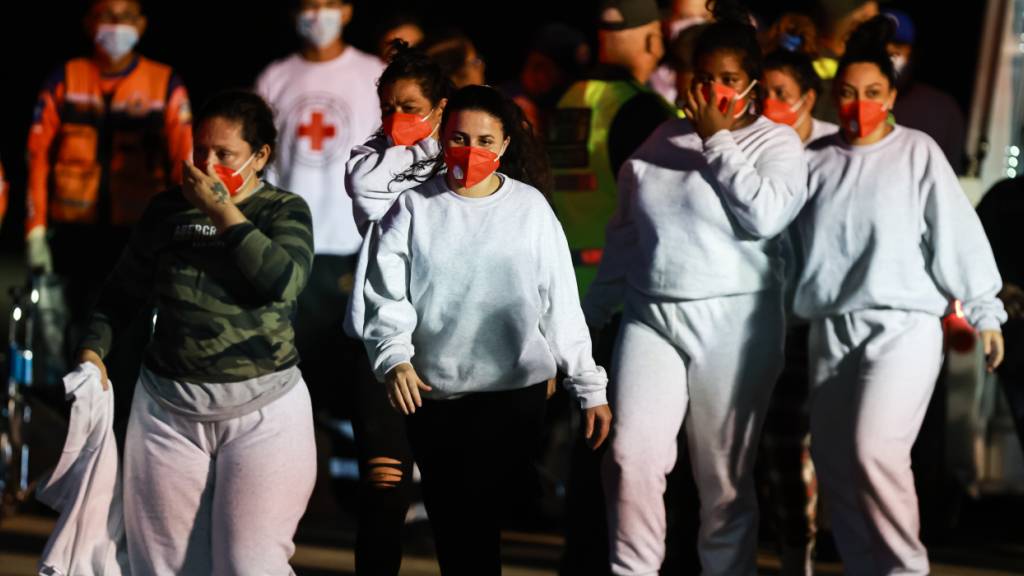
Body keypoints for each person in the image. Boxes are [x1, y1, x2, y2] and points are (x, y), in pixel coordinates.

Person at [584, 0, 810, 573]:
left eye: (728, 80)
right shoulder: (657, 143)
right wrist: (588, 320)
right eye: (704, 78)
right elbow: (626, 239)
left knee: (722, 478)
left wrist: (718, 142)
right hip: (651, 315)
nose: (713, 90)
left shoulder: (775, 144)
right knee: (631, 459)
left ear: (752, 84)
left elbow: (764, 216)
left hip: (734, 324)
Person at [361, 84, 611, 575]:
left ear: (504, 147)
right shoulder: (413, 208)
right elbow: (385, 295)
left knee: (473, 517)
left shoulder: (531, 209)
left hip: (511, 396)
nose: (470, 151)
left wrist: (588, 383)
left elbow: (560, 302)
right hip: (433, 396)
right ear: (441, 138)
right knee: (458, 526)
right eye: (458, 137)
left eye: (484, 140)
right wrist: (394, 356)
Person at [793, 16, 1006, 575]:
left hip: (903, 328)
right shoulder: (814, 160)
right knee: (838, 464)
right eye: (847, 93)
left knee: (875, 450)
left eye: (872, 93)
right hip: (832, 328)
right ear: (832, 96)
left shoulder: (917, 153)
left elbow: (957, 235)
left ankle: (905, 568)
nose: (859, 104)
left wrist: (984, 310)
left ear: (892, 96)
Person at [77, 90, 316, 574]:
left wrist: (223, 213)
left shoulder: (283, 210)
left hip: (263, 411)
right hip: (168, 409)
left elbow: (282, 282)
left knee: (249, 563)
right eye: (200, 150)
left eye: (224, 154)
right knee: (164, 565)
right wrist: (93, 350)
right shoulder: (167, 211)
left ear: (260, 155)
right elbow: (121, 292)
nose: (207, 164)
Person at [254, 0, 385, 527]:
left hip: (356, 249)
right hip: (291, 253)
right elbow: (259, 163)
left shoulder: (372, 74)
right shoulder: (275, 76)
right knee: (289, 379)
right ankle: (299, 496)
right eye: (308, 4)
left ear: (349, 10)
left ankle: (366, 502)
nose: (317, 13)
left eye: (328, 3)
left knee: (358, 379)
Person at [25, 0, 192, 410]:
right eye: (106, 15)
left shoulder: (164, 84)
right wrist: (34, 228)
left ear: (142, 23)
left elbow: (183, 162)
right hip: (72, 233)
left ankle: (121, 423)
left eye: (126, 17)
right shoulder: (65, 78)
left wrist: (179, 231)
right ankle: (68, 422)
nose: (116, 26)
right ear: (88, 22)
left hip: (137, 234)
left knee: (131, 333)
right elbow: (37, 156)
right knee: (66, 333)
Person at [343, 39, 451, 576]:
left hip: (448, 343)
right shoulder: (367, 160)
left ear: (440, 107)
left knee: (457, 501)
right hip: (380, 344)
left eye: (410, 107)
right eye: (388, 107)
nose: (397, 118)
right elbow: (371, 195)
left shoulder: (464, 159)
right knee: (385, 490)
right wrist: (409, 145)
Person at [883, 9, 966, 173]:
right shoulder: (849, 99)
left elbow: (949, 177)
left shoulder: (941, 109)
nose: (888, 51)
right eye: (880, 44)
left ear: (912, 51)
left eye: (898, 45)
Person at [977, 176, 1024, 447]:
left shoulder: (1002, 196)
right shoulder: (1003, 197)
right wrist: (1002, 290)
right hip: (1015, 337)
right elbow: (971, 257)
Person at [503, 22, 591, 136]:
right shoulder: (505, 103)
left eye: (564, 76)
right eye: (538, 66)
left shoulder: (568, 104)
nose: (541, 76)